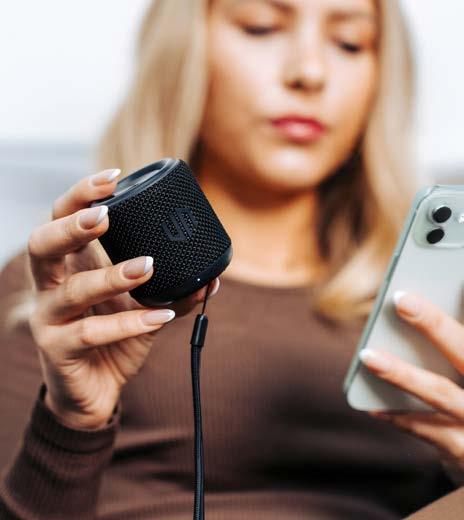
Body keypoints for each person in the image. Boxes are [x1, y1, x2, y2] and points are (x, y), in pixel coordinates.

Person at [0, 0, 463, 518]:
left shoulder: (435, 301)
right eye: (261, 28)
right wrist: (71, 424)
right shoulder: (70, 290)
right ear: (183, 52)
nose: (309, 72)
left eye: (350, 43)